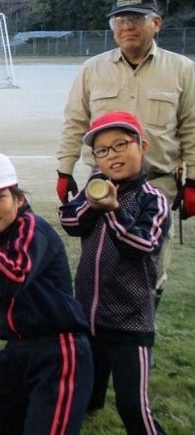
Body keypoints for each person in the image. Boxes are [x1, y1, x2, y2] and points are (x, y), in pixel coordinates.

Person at [56, 0, 195, 321]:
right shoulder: (93, 69)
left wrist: (192, 181)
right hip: (102, 185)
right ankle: (96, 333)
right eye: (119, 20)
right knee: (100, 260)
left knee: (150, 262)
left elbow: (192, 127)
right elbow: (75, 121)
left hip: (158, 185)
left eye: (135, 19)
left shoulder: (182, 70)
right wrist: (64, 170)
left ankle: (140, 333)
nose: (126, 27)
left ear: (156, 23)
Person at [0, 152, 93, 435]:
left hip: (59, 349)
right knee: (8, 426)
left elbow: (13, 279)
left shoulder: (33, 229)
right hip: (18, 349)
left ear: (19, 199)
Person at [59, 111, 170, 433]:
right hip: (88, 315)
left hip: (130, 321)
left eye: (120, 144)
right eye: (102, 151)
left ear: (142, 146)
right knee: (83, 390)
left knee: (132, 406)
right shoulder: (95, 188)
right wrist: (93, 202)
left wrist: (113, 210)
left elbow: (141, 245)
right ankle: (92, 402)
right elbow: (70, 223)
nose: (112, 155)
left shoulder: (153, 200)